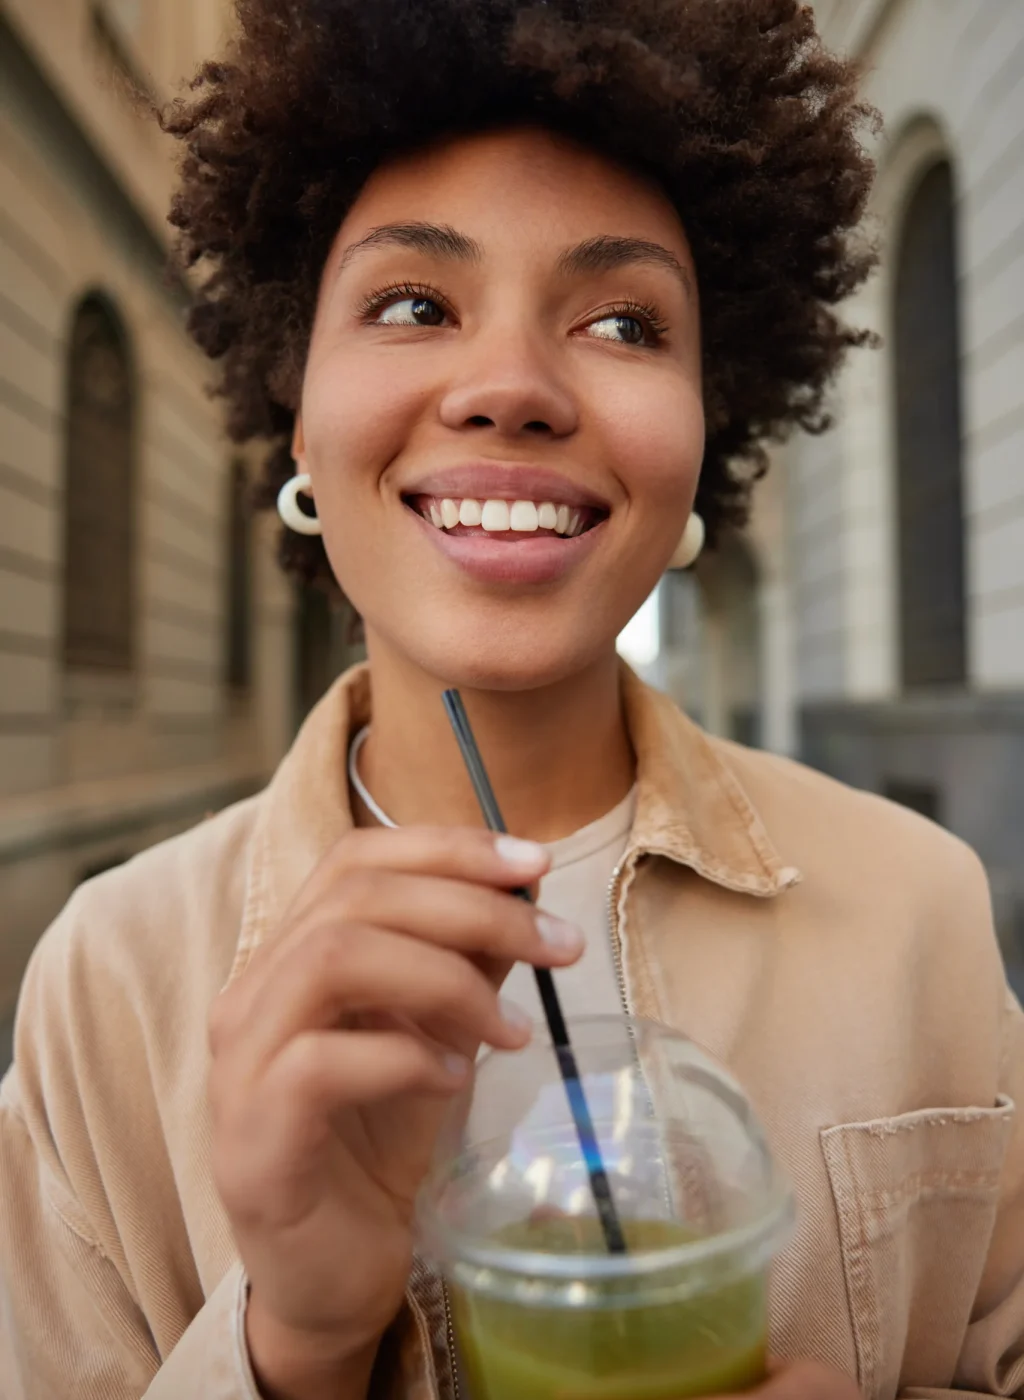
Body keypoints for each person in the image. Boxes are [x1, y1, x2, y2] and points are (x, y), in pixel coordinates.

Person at [1, 1, 1021, 1397]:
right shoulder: (105, 986)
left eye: (621, 321)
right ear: (300, 412)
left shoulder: (923, 908)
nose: (513, 388)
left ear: (707, 426)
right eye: (414, 304)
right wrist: (290, 1343)